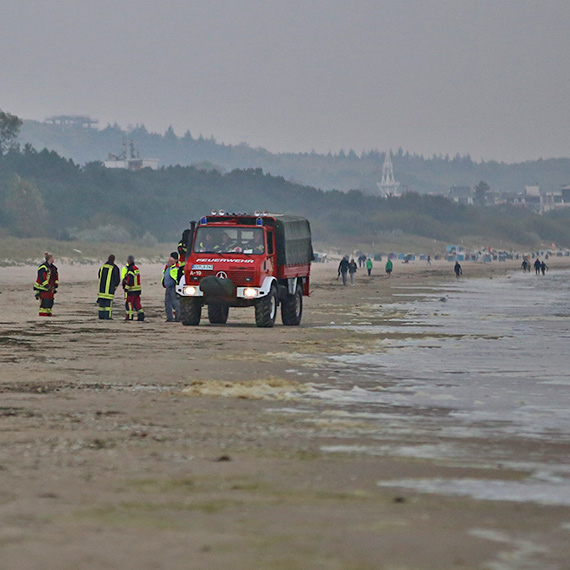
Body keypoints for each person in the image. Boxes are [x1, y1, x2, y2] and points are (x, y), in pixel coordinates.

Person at [34, 252, 59, 317]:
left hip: (50, 288)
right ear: (49, 259)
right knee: (45, 302)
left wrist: (55, 285)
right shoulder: (43, 267)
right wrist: (46, 285)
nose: (53, 259)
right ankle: (43, 315)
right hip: (42, 288)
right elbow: (42, 277)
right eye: (52, 258)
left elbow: (55, 277)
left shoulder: (54, 268)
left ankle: (49, 314)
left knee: (50, 302)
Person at [97, 254, 121, 319]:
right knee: (108, 305)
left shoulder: (102, 267)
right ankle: (107, 316)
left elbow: (99, 276)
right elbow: (117, 279)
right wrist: (115, 287)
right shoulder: (115, 268)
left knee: (101, 306)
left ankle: (101, 316)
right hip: (109, 291)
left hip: (101, 290)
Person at [122, 255, 145, 321]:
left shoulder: (130, 269)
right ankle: (141, 316)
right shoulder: (136, 268)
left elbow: (130, 279)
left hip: (131, 291)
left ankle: (129, 317)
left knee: (129, 304)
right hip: (137, 290)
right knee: (137, 304)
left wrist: (126, 288)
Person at [162, 252, 181, 322]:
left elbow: (177, 278)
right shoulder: (167, 268)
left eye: (172, 261)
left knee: (175, 303)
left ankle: (179, 317)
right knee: (167, 303)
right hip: (168, 287)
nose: (170, 262)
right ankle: (169, 318)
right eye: (169, 261)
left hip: (173, 287)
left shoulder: (176, 268)